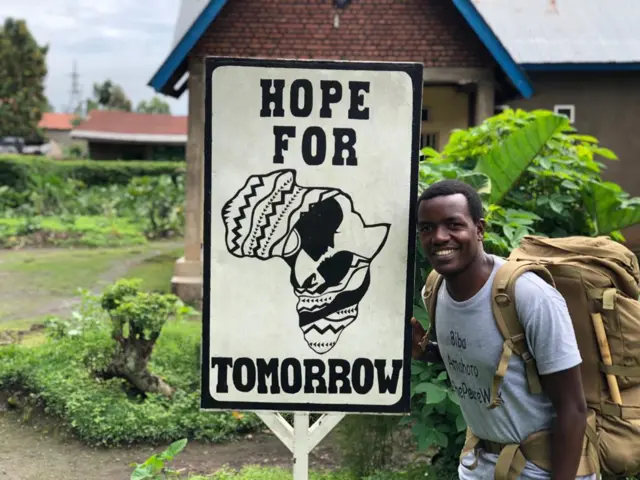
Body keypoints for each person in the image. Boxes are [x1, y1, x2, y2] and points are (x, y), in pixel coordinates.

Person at [411, 179, 596, 480]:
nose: (439, 237)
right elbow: (482, 357)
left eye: (453, 224)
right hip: (480, 465)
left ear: (479, 229)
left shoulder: (528, 296)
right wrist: (426, 352)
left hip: (542, 470)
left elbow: (573, 408)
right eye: (427, 228)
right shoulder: (434, 290)